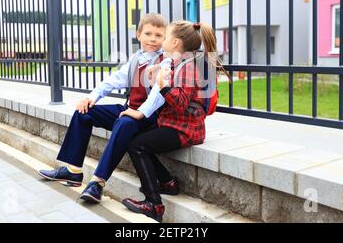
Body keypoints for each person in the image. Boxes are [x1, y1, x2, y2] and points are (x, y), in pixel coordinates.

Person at [39, 13, 176, 204]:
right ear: (138, 34)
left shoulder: (166, 61)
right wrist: (91, 98)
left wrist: (140, 112)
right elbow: (113, 81)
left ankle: (97, 183)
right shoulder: (135, 59)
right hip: (130, 110)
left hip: (149, 117)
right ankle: (73, 171)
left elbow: (158, 93)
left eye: (159, 35)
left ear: (165, 38)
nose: (153, 39)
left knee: (125, 122)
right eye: (148, 33)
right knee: (84, 112)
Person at [122, 21, 228, 222]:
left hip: (185, 130)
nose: (163, 40)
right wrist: (157, 76)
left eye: (166, 36)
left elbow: (180, 104)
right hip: (176, 125)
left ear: (176, 42)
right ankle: (167, 183)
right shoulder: (178, 62)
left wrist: (162, 86)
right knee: (137, 139)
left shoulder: (188, 67)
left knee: (137, 145)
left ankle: (154, 204)